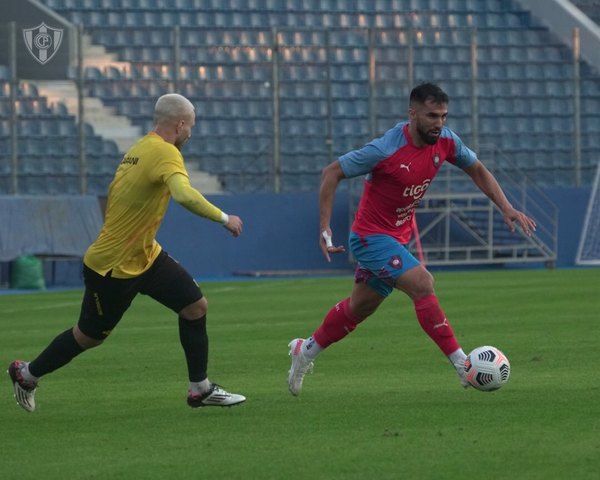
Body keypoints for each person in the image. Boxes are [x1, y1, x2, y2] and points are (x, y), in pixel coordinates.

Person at [287, 82, 536, 396]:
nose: (439, 123)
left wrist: (507, 207)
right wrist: (325, 228)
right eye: (432, 115)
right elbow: (331, 172)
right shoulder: (385, 149)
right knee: (422, 282)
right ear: (412, 113)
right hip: (369, 237)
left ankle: (304, 351)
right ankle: (463, 365)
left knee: (359, 308)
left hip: (396, 238)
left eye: (444, 116)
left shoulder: (446, 141)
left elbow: (477, 169)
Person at [8, 93, 246, 412]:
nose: (191, 132)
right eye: (191, 126)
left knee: (195, 306)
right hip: (113, 266)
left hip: (145, 256)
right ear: (180, 125)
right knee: (89, 336)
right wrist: (223, 218)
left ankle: (199, 389)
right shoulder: (165, 153)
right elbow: (183, 194)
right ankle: (26, 374)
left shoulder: (141, 148)